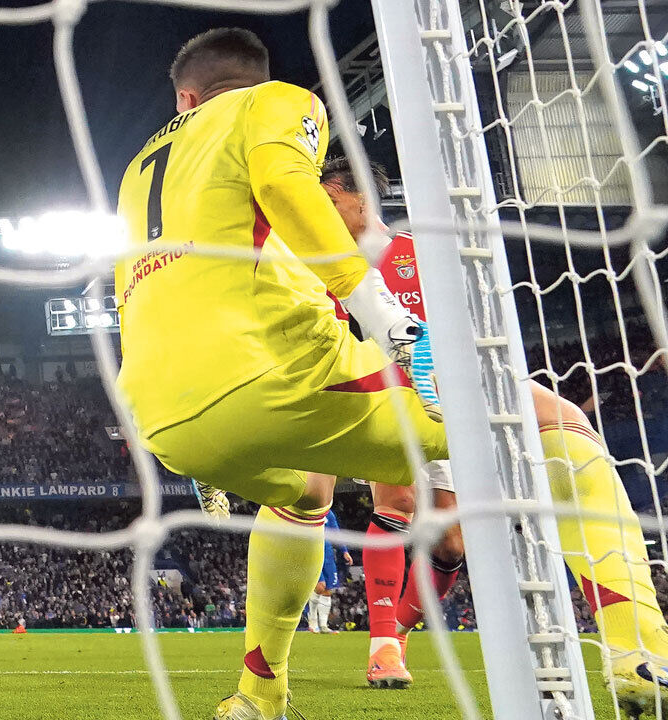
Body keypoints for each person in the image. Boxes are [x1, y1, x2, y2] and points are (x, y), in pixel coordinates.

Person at [115, 28, 446, 720]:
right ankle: (635, 643)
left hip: (160, 407)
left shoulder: (142, 169)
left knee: (311, 493)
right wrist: (388, 319)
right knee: (548, 429)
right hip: (281, 370)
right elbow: (281, 182)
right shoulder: (274, 114)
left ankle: (262, 691)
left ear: (185, 98)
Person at [316, 156, 668, 713]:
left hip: (450, 391)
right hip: (380, 397)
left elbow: (470, 328)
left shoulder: (416, 254)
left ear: (360, 199)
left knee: (457, 539)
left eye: (329, 203)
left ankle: (403, 632)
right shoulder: (323, 269)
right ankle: (384, 645)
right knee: (396, 501)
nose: (320, 214)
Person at [306, 509, 350, 634]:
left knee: (327, 591)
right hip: (312, 553)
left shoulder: (329, 514)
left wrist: (345, 551)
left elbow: (336, 533)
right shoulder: (308, 511)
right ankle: (312, 622)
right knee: (320, 587)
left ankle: (324, 626)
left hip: (328, 555)